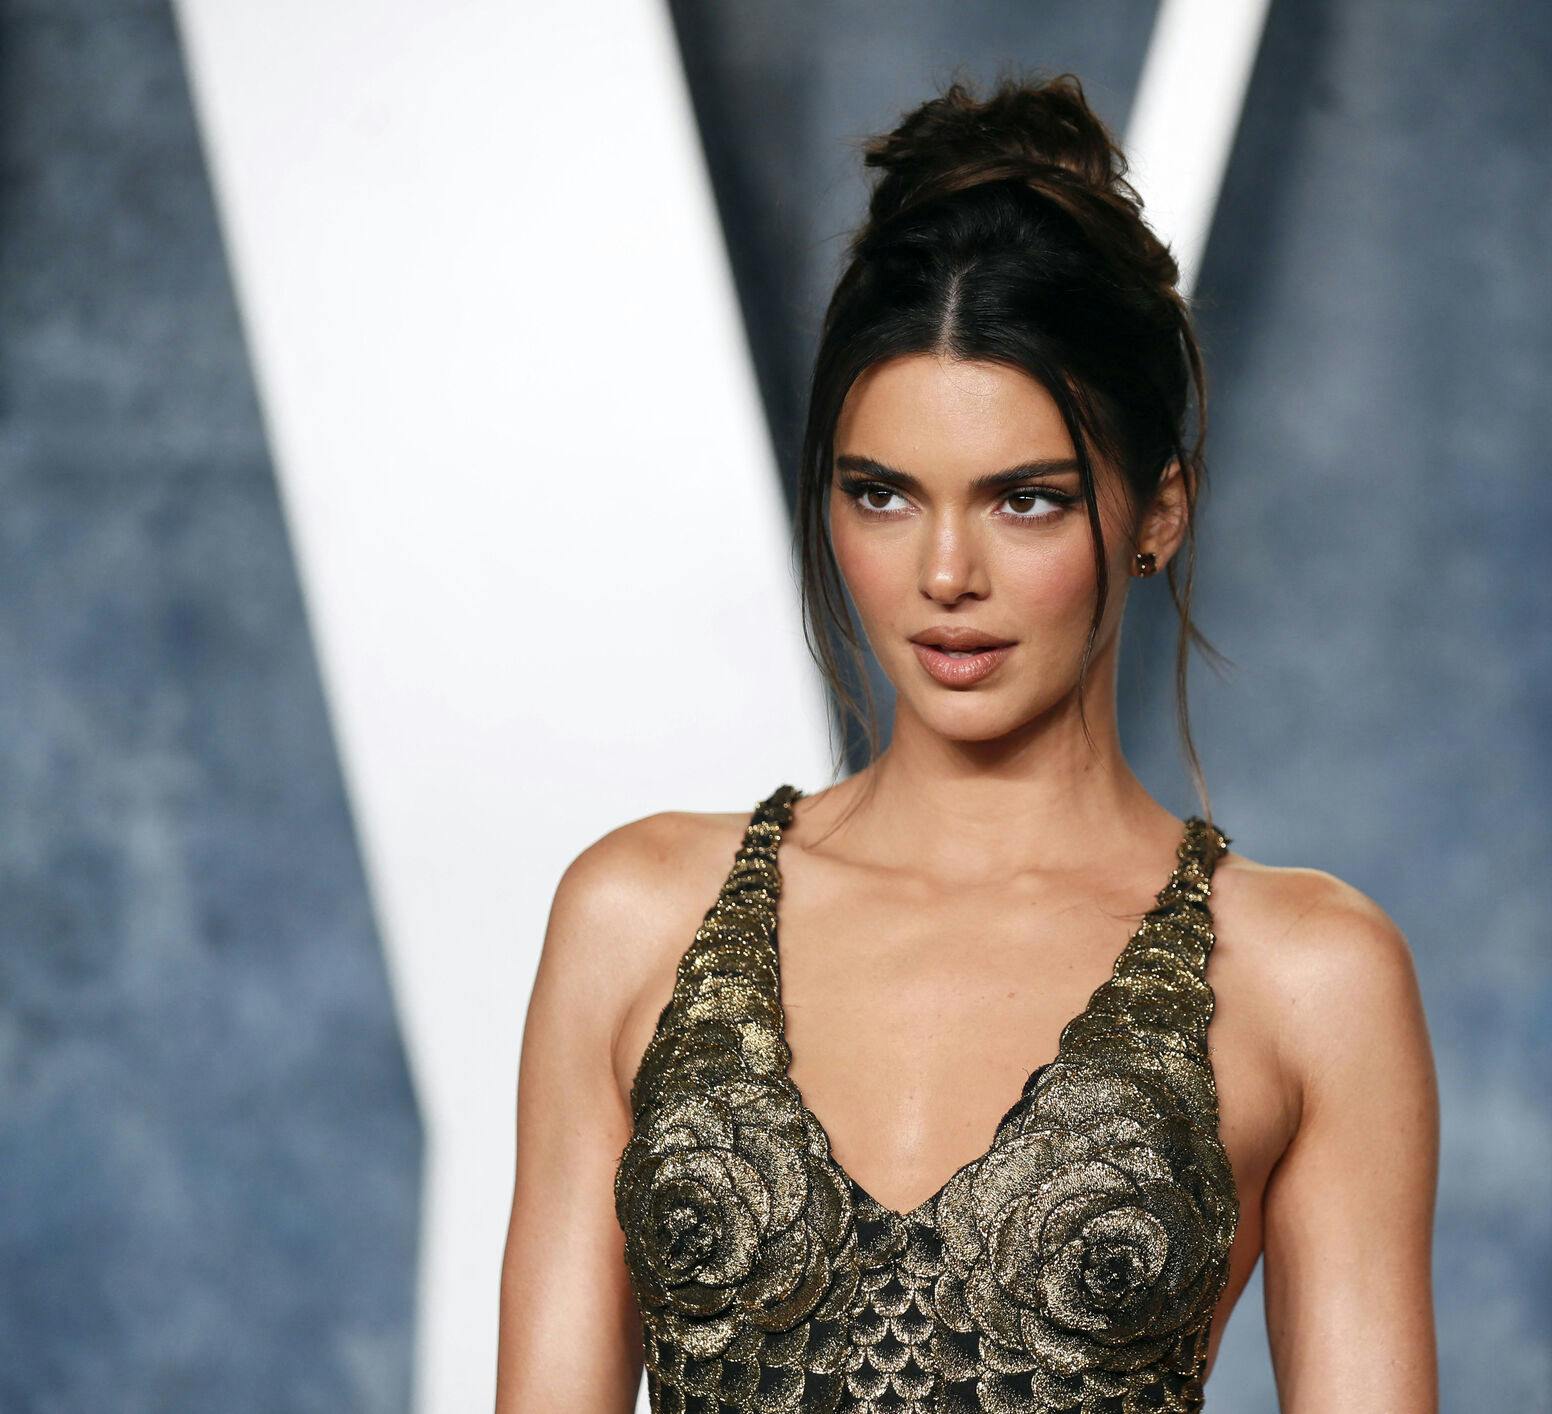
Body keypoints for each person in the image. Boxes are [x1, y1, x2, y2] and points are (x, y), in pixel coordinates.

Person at [497, 70, 1438, 1413]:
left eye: (1026, 501)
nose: (946, 572)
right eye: (881, 493)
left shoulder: (1308, 980)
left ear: (1157, 509)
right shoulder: (635, 918)